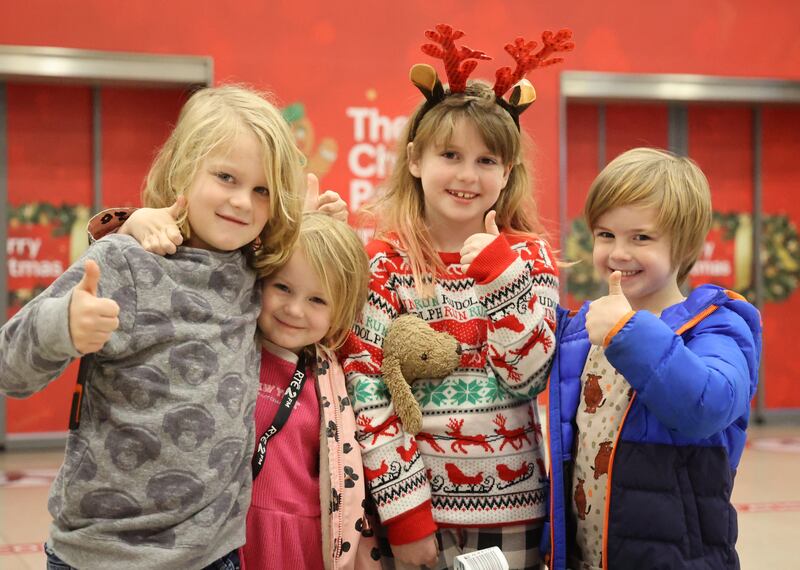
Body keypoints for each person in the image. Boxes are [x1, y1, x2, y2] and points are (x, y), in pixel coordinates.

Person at [0, 84, 305, 569]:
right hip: (102, 553)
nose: (243, 202)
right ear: (184, 168)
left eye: (262, 190)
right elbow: (9, 369)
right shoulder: (125, 260)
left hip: (214, 553)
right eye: (226, 177)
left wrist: (319, 223)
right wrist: (63, 324)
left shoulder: (255, 269)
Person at [341, 24, 571, 570]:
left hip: (511, 513)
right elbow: (367, 389)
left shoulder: (528, 258)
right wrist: (407, 517)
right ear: (415, 159)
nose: (468, 175)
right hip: (411, 515)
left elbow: (528, 377)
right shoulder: (384, 263)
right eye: (450, 154)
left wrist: (497, 273)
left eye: (487, 161)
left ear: (507, 172)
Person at [545, 148, 762, 570]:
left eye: (640, 238)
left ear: (684, 246)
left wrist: (626, 331)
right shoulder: (583, 329)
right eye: (606, 234)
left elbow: (708, 405)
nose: (618, 252)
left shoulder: (716, 325)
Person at [241, 212, 380, 569]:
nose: (294, 309)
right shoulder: (233, 348)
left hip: (300, 542)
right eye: (282, 287)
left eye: (317, 300)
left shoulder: (334, 377)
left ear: (340, 312)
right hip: (230, 529)